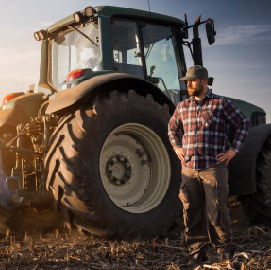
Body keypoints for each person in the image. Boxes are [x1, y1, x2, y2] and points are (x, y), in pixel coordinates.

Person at [168, 65, 250, 264]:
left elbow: (243, 123)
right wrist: (177, 147)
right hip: (189, 168)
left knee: (217, 209)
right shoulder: (182, 106)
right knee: (192, 210)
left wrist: (233, 150)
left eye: (192, 80)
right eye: (186, 81)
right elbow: (172, 128)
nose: (188, 83)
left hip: (213, 167)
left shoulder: (221, 103)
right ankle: (197, 251)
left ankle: (224, 250)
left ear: (204, 82)